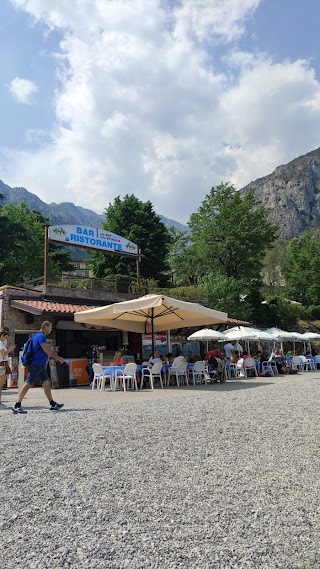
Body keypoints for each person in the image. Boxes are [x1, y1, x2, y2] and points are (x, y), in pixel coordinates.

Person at [12, 321, 65, 414]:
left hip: (39, 365)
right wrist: (58, 358)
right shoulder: (41, 336)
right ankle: (17, 405)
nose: (51, 329)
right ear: (45, 327)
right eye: (50, 327)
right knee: (28, 383)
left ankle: (53, 404)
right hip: (35, 364)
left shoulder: (37, 336)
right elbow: (47, 350)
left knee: (46, 382)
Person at [0, 327, 15, 409]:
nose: (6, 338)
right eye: (5, 336)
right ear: (2, 335)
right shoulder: (0, 343)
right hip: (2, 366)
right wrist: (9, 349)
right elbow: (3, 354)